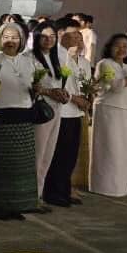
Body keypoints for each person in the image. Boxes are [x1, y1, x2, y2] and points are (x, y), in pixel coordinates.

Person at [0, 20, 41, 220]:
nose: (10, 41)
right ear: (0, 39)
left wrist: (38, 87)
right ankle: (0, 206)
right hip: (2, 115)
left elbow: (41, 81)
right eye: (6, 37)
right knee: (2, 164)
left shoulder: (29, 60)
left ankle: (19, 205)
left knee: (21, 165)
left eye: (15, 37)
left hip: (24, 115)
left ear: (21, 40)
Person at [89, 34, 127, 197]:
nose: (122, 49)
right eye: (118, 45)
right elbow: (116, 86)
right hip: (109, 110)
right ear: (110, 47)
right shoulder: (104, 64)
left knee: (125, 150)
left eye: (125, 46)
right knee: (110, 149)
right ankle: (103, 186)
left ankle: (119, 187)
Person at [45, 18, 89, 207]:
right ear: (60, 34)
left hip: (76, 113)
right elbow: (53, 86)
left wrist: (87, 97)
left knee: (70, 155)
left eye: (79, 35)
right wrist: (74, 98)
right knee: (58, 155)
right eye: (72, 34)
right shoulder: (55, 56)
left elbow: (81, 84)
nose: (77, 38)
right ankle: (52, 193)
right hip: (61, 112)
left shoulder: (79, 60)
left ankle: (64, 190)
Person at [29, 20, 69, 200]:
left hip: (56, 110)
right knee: (37, 155)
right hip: (41, 111)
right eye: (44, 37)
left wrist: (64, 94)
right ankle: (30, 195)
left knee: (48, 155)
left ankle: (38, 194)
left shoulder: (56, 59)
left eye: (52, 37)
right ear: (37, 37)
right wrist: (48, 92)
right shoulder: (30, 58)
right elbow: (31, 86)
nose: (49, 40)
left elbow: (59, 84)